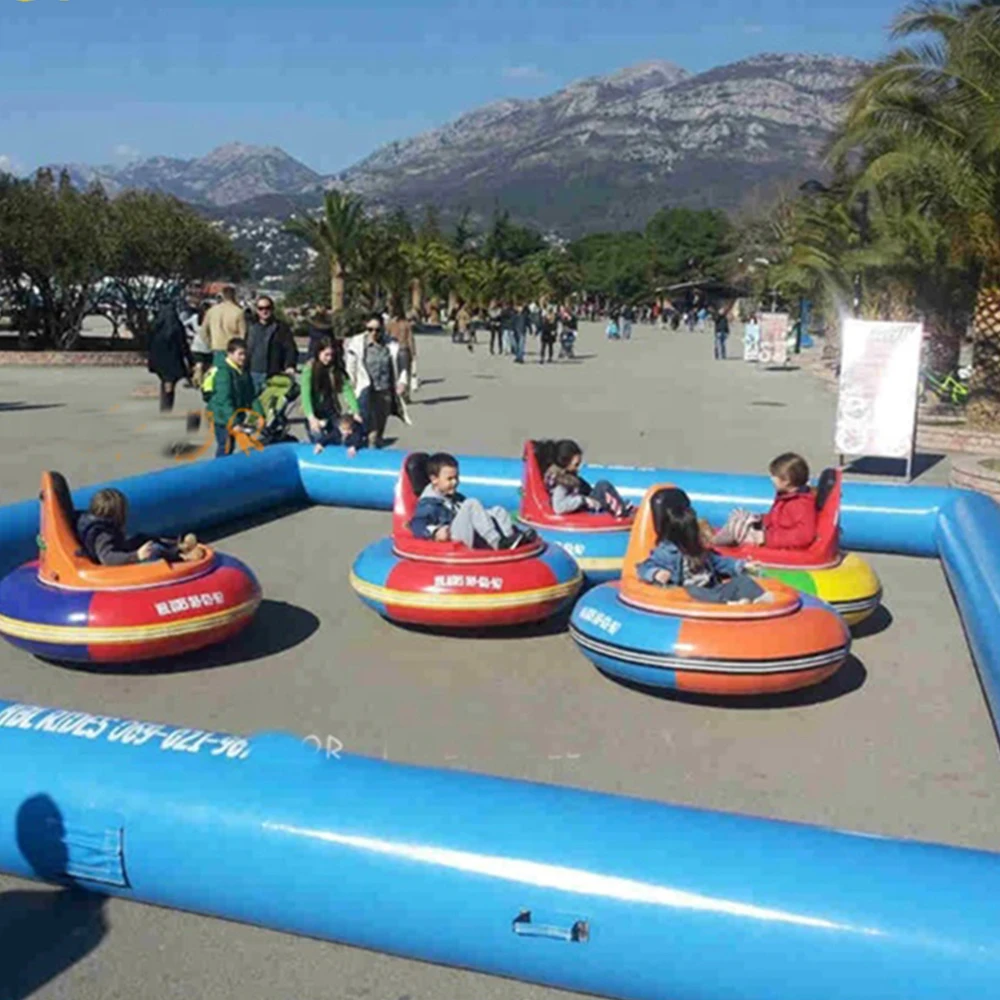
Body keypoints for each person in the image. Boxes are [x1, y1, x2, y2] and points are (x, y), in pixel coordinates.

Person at [636, 488, 769, 604]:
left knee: (742, 582)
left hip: (712, 589)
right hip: (691, 596)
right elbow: (643, 567)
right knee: (693, 591)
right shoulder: (665, 553)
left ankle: (760, 601)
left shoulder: (697, 549)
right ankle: (729, 605)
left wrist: (741, 565)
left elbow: (718, 562)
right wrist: (656, 573)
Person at [410, 453, 536, 550]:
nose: (455, 482)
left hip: (464, 532)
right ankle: (497, 543)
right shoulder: (428, 504)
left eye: (456, 477)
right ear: (434, 479)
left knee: (498, 510)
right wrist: (435, 533)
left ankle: (511, 538)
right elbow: (416, 525)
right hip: (452, 541)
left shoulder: (454, 497)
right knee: (471, 504)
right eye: (449, 479)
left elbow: (476, 516)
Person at [713, 452, 818, 549]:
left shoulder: (800, 505)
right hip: (768, 534)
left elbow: (804, 536)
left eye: (774, 476)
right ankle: (717, 539)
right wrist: (761, 519)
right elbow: (777, 519)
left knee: (736, 530)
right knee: (739, 516)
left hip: (770, 541)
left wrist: (765, 538)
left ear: (786, 481)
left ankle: (713, 544)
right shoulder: (786, 496)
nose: (771, 479)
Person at [76, 488, 205, 566]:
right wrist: (136, 555)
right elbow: (108, 558)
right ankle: (182, 559)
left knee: (140, 538)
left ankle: (179, 546)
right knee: (153, 550)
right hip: (115, 567)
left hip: (121, 550)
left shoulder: (99, 524)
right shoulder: (102, 535)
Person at [344, 313, 411, 449]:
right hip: (365, 391)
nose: (374, 333)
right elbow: (350, 367)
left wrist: (402, 381)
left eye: (377, 330)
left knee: (378, 430)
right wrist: (350, 386)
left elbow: (402, 362)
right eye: (370, 329)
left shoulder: (391, 344)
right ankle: (367, 454)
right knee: (366, 429)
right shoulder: (357, 343)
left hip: (384, 392)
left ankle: (374, 452)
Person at [301, 336, 364, 455]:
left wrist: (356, 411)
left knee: (340, 436)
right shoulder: (310, 368)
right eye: (326, 355)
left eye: (331, 355)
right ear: (318, 353)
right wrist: (311, 417)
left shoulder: (335, 369)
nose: (329, 359)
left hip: (330, 410)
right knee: (318, 439)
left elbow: (347, 389)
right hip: (314, 411)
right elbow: (305, 394)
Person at [539, 439, 633, 517]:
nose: (579, 468)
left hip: (584, 501)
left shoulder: (569, 476)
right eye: (576, 465)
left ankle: (619, 505)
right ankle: (620, 511)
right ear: (565, 464)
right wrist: (583, 500)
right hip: (581, 505)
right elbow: (558, 507)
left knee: (599, 487)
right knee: (603, 485)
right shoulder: (562, 483)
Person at [205, 337, 262, 458]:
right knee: (225, 446)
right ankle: (219, 472)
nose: (243, 357)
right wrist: (234, 422)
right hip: (221, 416)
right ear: (230, 354)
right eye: (240, 354)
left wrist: (260, 414)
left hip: (234, 415)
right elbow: (224, 400)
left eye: (245, 354)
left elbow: (251, 396)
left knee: (231, 446)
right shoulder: (223, 373)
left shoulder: (242, 371)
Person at [147, 296, 193, 413]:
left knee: (166, 381)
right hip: (173, 359)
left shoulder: (156, 325)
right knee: (170, 382)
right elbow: (183, 345)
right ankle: (166, 407)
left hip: (158, 359)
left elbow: (148, 342)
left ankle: (165, 406)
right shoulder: (176, 325)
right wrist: (190, 360)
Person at [246, 295, 298, 394]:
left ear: (272, 309)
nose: (264, 311)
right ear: (257, 310)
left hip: (273, 373)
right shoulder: (250, 327)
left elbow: (290, 348)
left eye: (267, 308)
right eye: (261, 308)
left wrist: (290, 365)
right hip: (253, 373)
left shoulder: (281, 328)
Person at [203, 285, 248, 364]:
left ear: (222, 295)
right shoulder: (238, 312)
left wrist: (210, 344)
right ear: (234, 295)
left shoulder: (212, 311)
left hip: (217, 347)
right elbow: (243, 334)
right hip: (233, 349)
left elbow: (203, 331)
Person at [388, 310, 417, 401]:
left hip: (392, 349)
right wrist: (413, 353)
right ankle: (405, 395)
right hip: (404, 349)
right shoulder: (406, 325)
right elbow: (410, 339)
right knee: (405, 372)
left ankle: (395, 394)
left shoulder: (390, 324)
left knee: (395, 373)